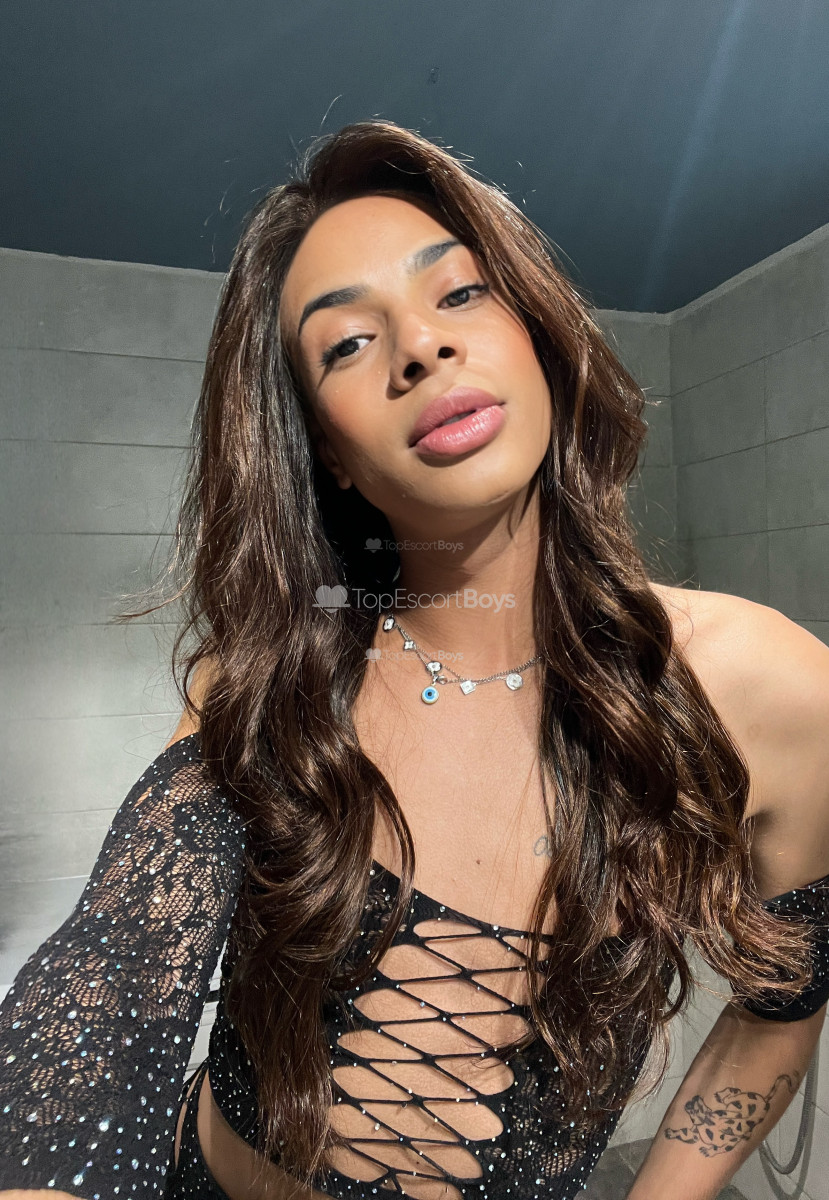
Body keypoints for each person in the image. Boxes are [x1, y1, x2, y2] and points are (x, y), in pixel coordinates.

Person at [1, 119, 828, 1200]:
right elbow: (111, 978)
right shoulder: (270, 685)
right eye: (346, 343)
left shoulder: (769, 688)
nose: (420, 347)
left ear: (537, 331)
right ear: (328, 452)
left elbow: (780, 1010)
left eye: (461, 293)